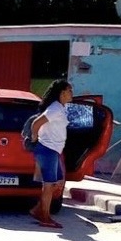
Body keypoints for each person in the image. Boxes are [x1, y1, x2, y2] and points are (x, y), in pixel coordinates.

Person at [29, 79, 74, 229]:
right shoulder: (55, 108)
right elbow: (36, 123)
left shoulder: (59, 108)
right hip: (48, 149)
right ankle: (45, 217)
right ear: (62, 93)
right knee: (49, 185)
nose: (71, 93)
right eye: (69, 90)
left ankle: (38, 210)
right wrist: (35, 139)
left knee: (57, 182)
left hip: (54, 150)